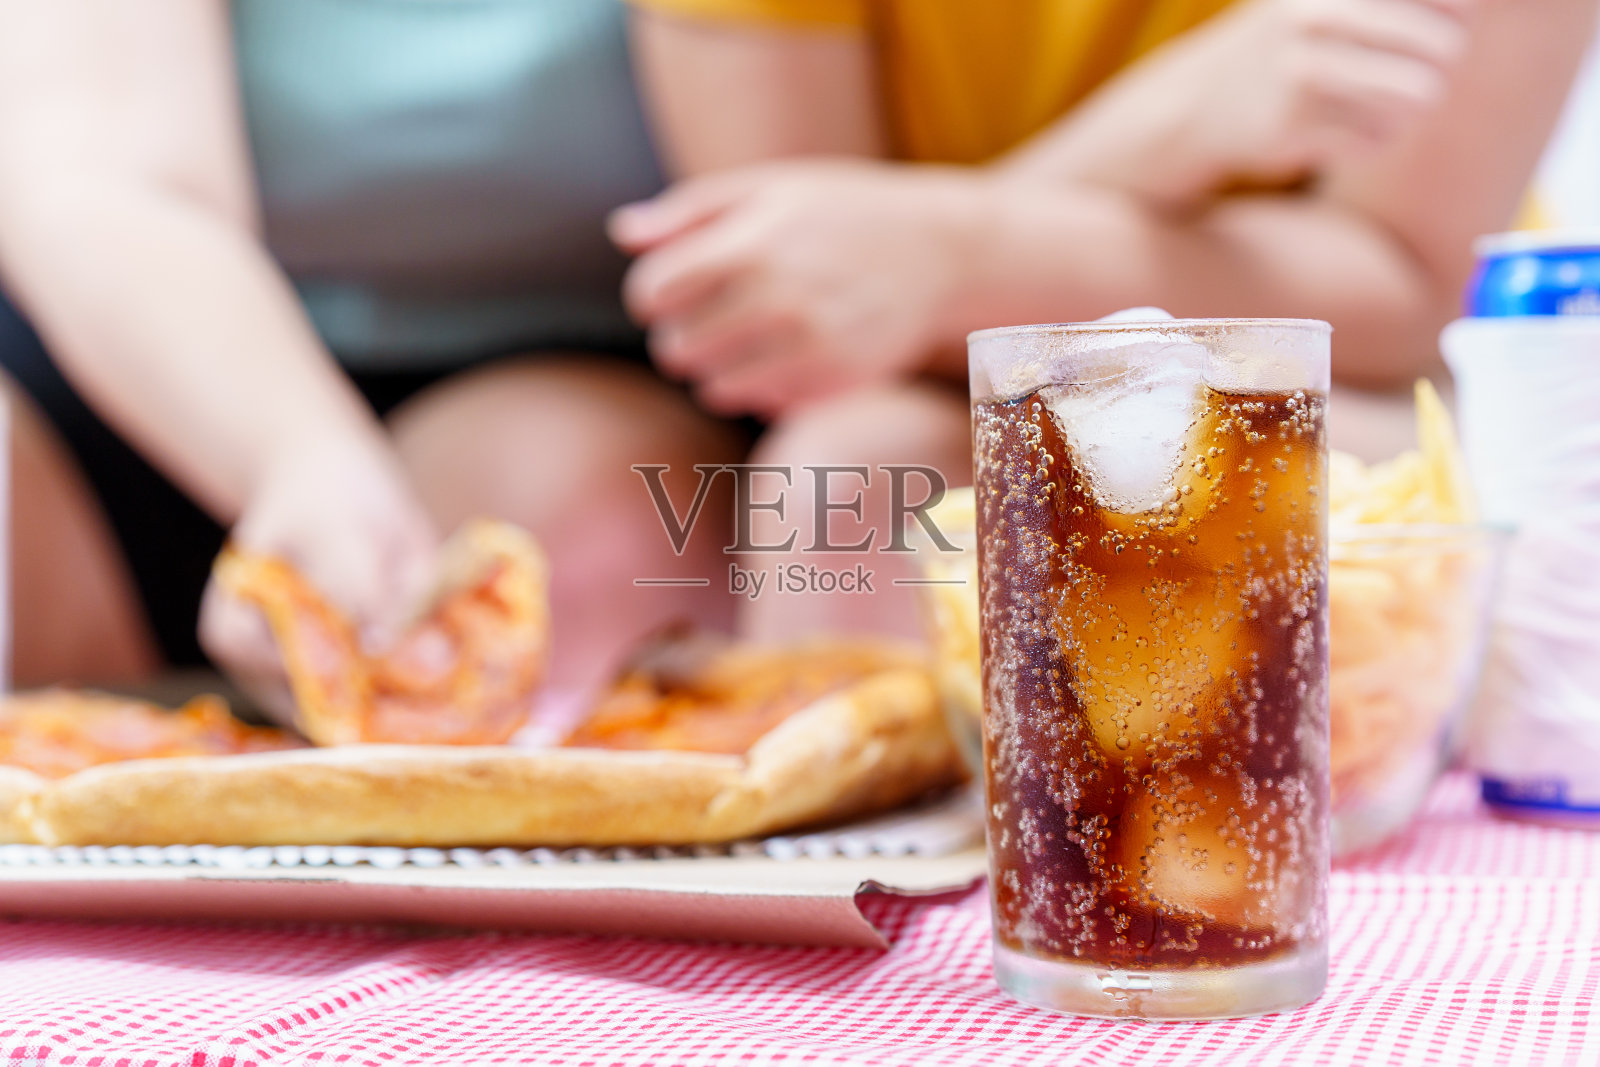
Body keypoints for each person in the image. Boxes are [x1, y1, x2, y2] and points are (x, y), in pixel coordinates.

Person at [612, 0, 1599, 638]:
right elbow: (793, 307)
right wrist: (1160, 127)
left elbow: (1407, 285)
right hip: (937, 388)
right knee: (854, 469)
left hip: (1367, 391)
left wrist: (944, 253)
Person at [0, 1, 747, 697]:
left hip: (586, 354)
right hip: (151, 353)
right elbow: (98, 180)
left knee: (579, 560)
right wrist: (298, 454)